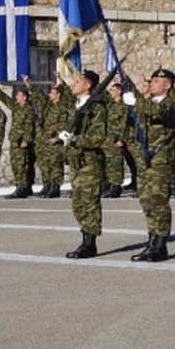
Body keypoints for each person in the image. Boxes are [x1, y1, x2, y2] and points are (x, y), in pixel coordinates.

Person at [125, 69, 175, 261]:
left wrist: (137, 101)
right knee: (147, 202)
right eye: (152, 80)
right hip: (145, 160)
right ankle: (151, 240)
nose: (152, 83)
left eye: (157, 81)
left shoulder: (171, 104)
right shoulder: (147, 104)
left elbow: (157, 113)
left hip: (160, 161)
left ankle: (160, 244)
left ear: (168, 85)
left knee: (159, 202)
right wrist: (124, 78)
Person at [58, 70, 107, 259]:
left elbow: (98, 137)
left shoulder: (96, 108)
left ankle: (90, 243)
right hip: (76, 161)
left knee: (90, 204)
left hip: (89, 163)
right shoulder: (76, 106)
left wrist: (76, 138)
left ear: (88, 85)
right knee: (78, 205)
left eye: (77, 81)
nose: (73, 84)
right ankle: (85, 238)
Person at [0, 83, 36, 198]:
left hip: (22, 142)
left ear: (24, 97)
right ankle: (19, 186)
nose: (16, 97)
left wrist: (26, 140)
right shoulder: (16, 107)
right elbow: (6, 100)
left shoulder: (28, 109)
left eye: (19, 95)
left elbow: (29, 126)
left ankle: (22, 188)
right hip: (15, 141)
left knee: (21, 166)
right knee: (15, 165)